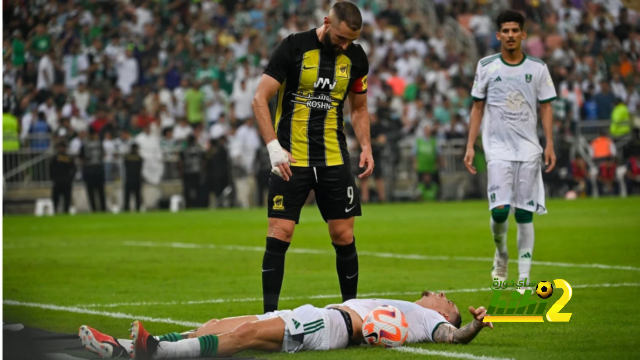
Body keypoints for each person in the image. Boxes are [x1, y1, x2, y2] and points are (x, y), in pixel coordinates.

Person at [251, 1, 373, 314]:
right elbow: (259, 99)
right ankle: (269, 316)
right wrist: (273, 147)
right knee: (280, 233)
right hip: (291, 159)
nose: (345, 45)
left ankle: (351, 313)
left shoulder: (356, 58)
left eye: (351, 40)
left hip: (334, 158)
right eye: (341, 37)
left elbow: (358, 108)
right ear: (326, 22)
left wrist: (367, 146)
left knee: (344, 236)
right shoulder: (293, 47)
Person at [79, 291, 493, 359]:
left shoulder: (428, 317)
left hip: (332, 326)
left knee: (244, 337)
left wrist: (471, 326)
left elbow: (453, 337)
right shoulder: (408, 304)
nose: (441, 293)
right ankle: (121, 347)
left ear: (444, 311)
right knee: (218, 322)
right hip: (319, 313)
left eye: (448, 300)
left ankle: (157, 352)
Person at [464, 10, 557, 288]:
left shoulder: (538, 68)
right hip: (498, 148)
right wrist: (470, 145)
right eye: (505, 31)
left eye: (515, 30)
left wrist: (549, 142)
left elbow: (547, 107)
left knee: (525, 213)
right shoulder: (487, 65)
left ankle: (524, 278)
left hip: (529, 149)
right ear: (498, 35)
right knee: (500, 211)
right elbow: (477, 107)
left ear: (523, 34)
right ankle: (501, 253)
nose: (510, 35)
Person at [80, 128, 106, 212]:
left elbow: (81, 158)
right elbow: (103, 155)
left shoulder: (85, 144)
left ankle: (94, 210)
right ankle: (103, 209)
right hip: (98, 169)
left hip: (89, 170)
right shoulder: (99, 143)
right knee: (100, 191)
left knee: (91, 192)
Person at [49, 141, 76, 213]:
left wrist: (70, 178)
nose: (61, 149)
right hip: (58, 181)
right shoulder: (55, 157)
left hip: (66, 181)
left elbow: (73, 169)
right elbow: (51, 169)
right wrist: (53, 178)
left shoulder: (68, 158)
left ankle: (66, 211)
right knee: (56, 198)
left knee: (67, 198)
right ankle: (55, 211)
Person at [179, 135, 204, 208]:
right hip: (197, 172)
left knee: (187, 190)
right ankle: (198, 204)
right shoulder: (199, 149)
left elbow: (181, 163)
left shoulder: (184, 150)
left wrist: (180, 172)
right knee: (198, 189)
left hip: (187, 172)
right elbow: (203, 161)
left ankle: (188, 204)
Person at [123, 144, 143, 211]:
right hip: (134, 179)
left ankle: (127, 208)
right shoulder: (139, 158)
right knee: (135, 195)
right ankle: (136, 208)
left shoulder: (127, 157)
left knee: (130, 195)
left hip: (130, 179)